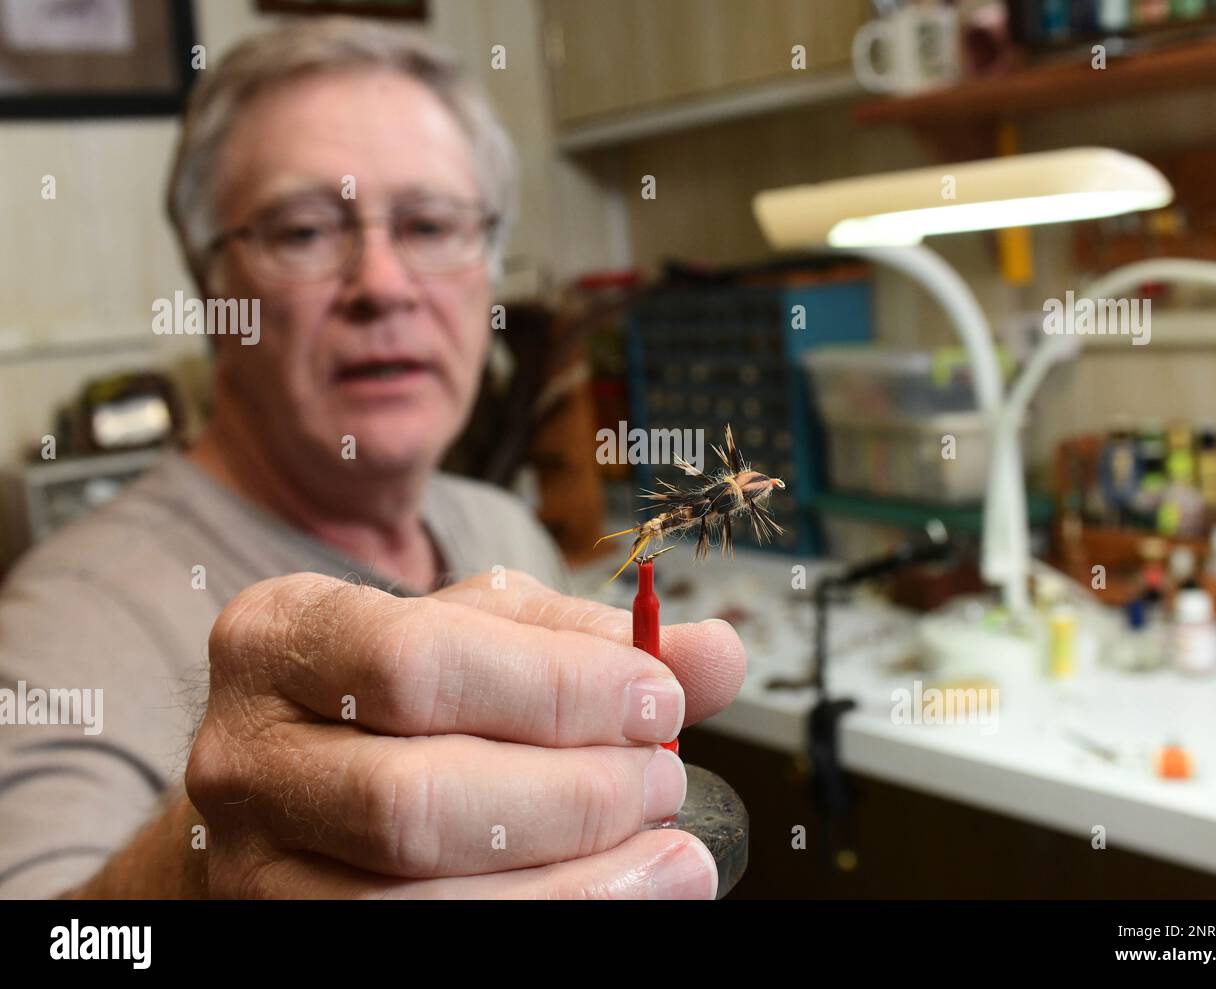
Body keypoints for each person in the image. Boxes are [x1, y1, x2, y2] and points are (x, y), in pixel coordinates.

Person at [0, 19, 744, 899]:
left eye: (431, 224)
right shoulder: (69, 619)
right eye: (306, 231)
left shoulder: (500, 527)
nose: (384, 285)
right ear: (212, 289)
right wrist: (201, 870)